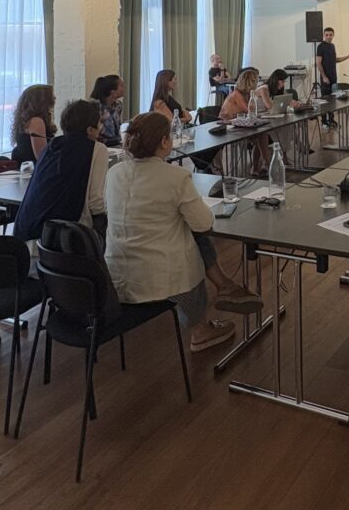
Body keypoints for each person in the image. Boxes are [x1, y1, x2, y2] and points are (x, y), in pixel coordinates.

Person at [104, 114, 257, 353]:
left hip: (117, 274)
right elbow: (203, 223)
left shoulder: (114, 173)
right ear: (165, 142)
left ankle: (225, 286)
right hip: (158, 277)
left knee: (183, 229)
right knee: (192, 237)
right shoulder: (175, 177)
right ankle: (201, 330)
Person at [13, 100, 108, 242]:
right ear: (90, 130)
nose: (101, 128)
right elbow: (96, 202)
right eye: (99, 124)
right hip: (66, 236)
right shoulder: (97, 149)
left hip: (28, 232)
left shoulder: (51, 146)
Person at [220, 70, 270, 169]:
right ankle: (264, 163)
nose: (257, 83)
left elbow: (250, 111)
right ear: (250, 82)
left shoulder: (246, 94)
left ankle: (259, 166)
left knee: (262, 132)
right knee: (261, 133)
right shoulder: (236, 94)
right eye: (256, 81)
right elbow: (248, 110)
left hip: (239, 122)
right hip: (227, 126)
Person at [315, 26, 349, 128]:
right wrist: (324, 77)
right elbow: (318, 63)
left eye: (330, 35)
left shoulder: (332, 46)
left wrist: (347, 56)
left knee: (332, 101)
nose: (329, 36)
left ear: (333, 35)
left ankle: (331, 120)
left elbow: (335, 60)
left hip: (333, 78)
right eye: (327, 35)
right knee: (325, 101)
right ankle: (324, 122)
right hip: (325, 79)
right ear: (324, 35)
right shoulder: (320, 46)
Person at [11, 84, 57, 164]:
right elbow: (41, 155)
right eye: (51, 96)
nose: (54, 98)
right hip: (35, 168)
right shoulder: (36, 121)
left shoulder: (26, 120)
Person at [89, 75, 126, 147]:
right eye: (121, 86)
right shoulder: (95, 105)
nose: (124, 88)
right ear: (112, 91)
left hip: (116, 143)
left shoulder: (118, 105)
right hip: (99, 144)